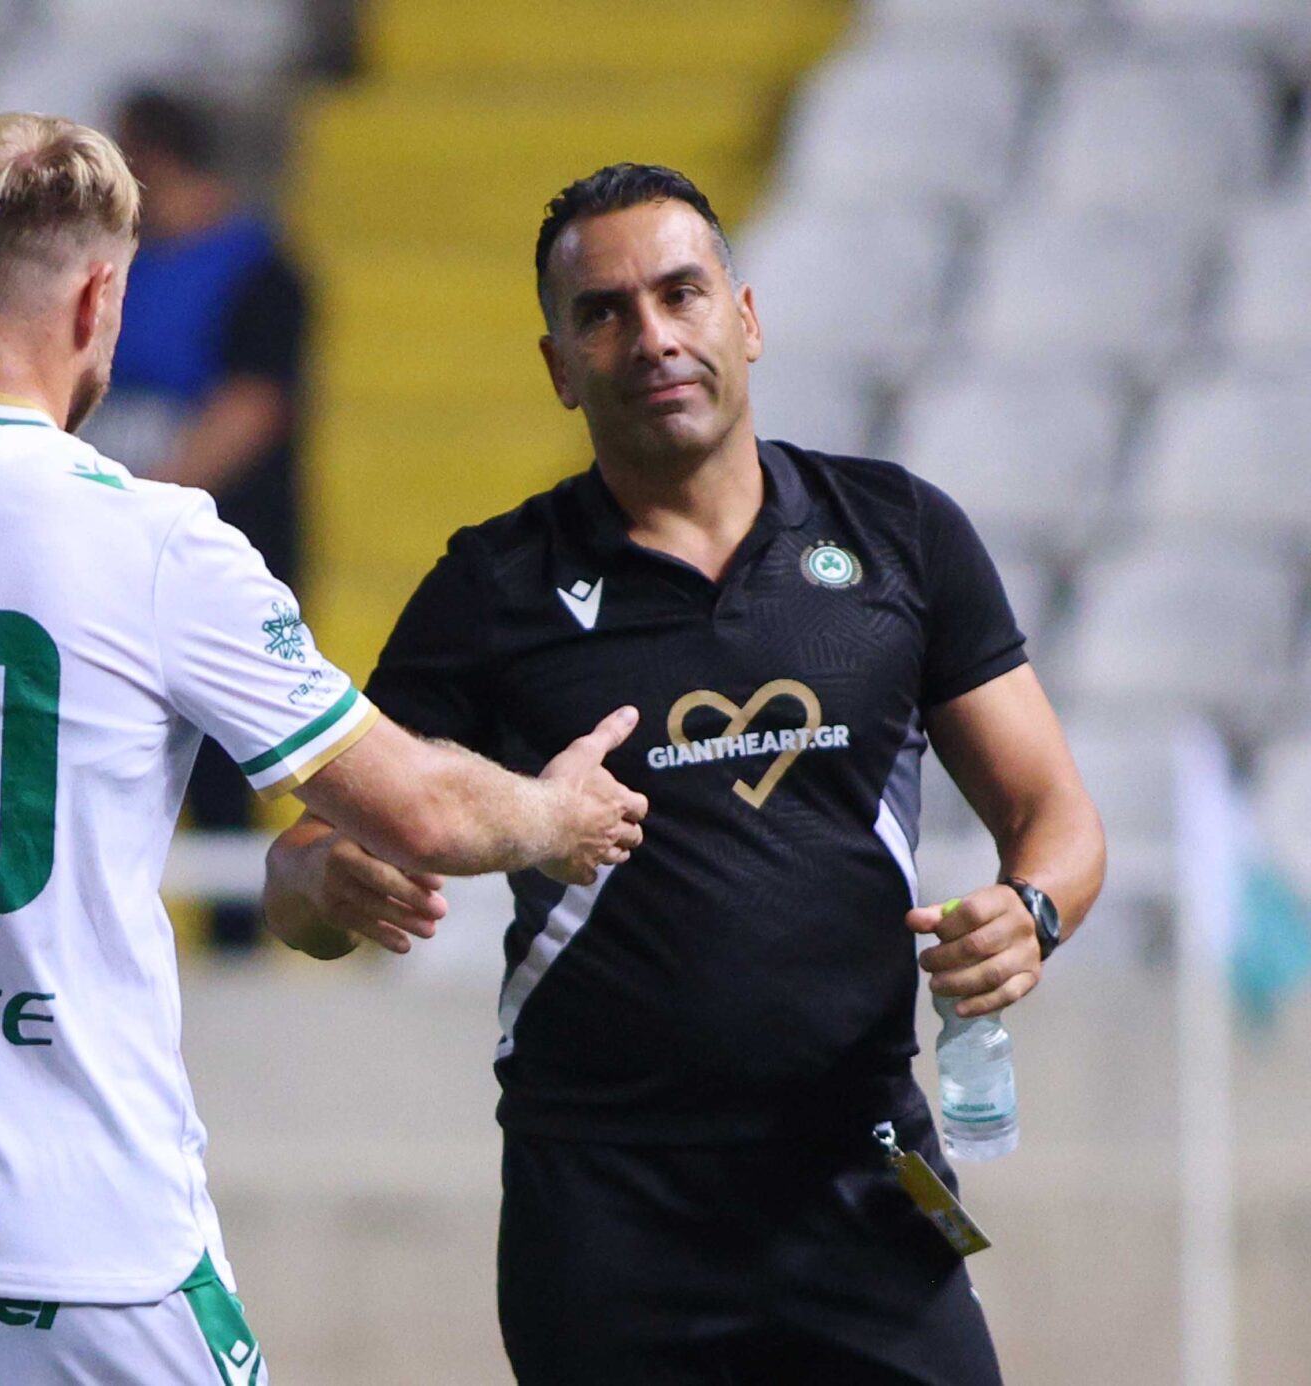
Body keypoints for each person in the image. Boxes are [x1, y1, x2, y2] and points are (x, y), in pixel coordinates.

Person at [0, 114, 644, 1386]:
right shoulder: (151, 541)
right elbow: (421, 815)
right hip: (76, 1243)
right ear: (101, 297)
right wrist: (556, 815)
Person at [262, 163, 1108, 1384]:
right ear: (557, 366)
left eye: (679, 293)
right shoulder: (491, 588)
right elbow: (298, 868)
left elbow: (1052, 813)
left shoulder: (897, 533)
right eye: (602, 313)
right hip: (605, 1213)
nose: (651, 336)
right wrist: (324, 887)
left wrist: (1031, 912)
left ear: (744, 317)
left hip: (869, 1175)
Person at [82, 88, 311, 950]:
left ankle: (238, 951)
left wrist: (140, 501)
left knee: (222, 770)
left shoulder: (261, 271)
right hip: (112, 546)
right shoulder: (114, 271)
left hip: (221, 547)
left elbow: (253, 407)